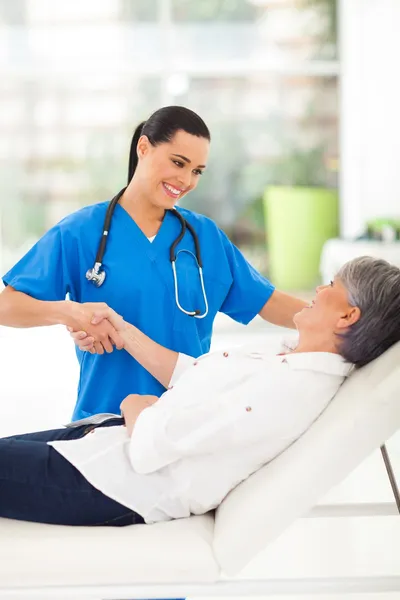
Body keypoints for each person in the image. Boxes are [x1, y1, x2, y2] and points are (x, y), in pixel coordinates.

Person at [1, 256, 399, 526]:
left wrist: (135, 403)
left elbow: (149, 449)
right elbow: (192, 372)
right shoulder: (288, 354)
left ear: (348, 316)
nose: (317, 288)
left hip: (110, 484)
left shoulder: (293, 390)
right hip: (101, 442)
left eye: (331, 285)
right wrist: (124, 331)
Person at [0, 105, 306, 422]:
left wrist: (342, 324)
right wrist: (69, 312)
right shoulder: (81, 232)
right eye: (178, 163)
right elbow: (6, 306)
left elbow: (267, 302)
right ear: (143, 148)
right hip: (104, 421)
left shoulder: (205, 238)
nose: (186, 180)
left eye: (197, 171)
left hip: (184, 423)